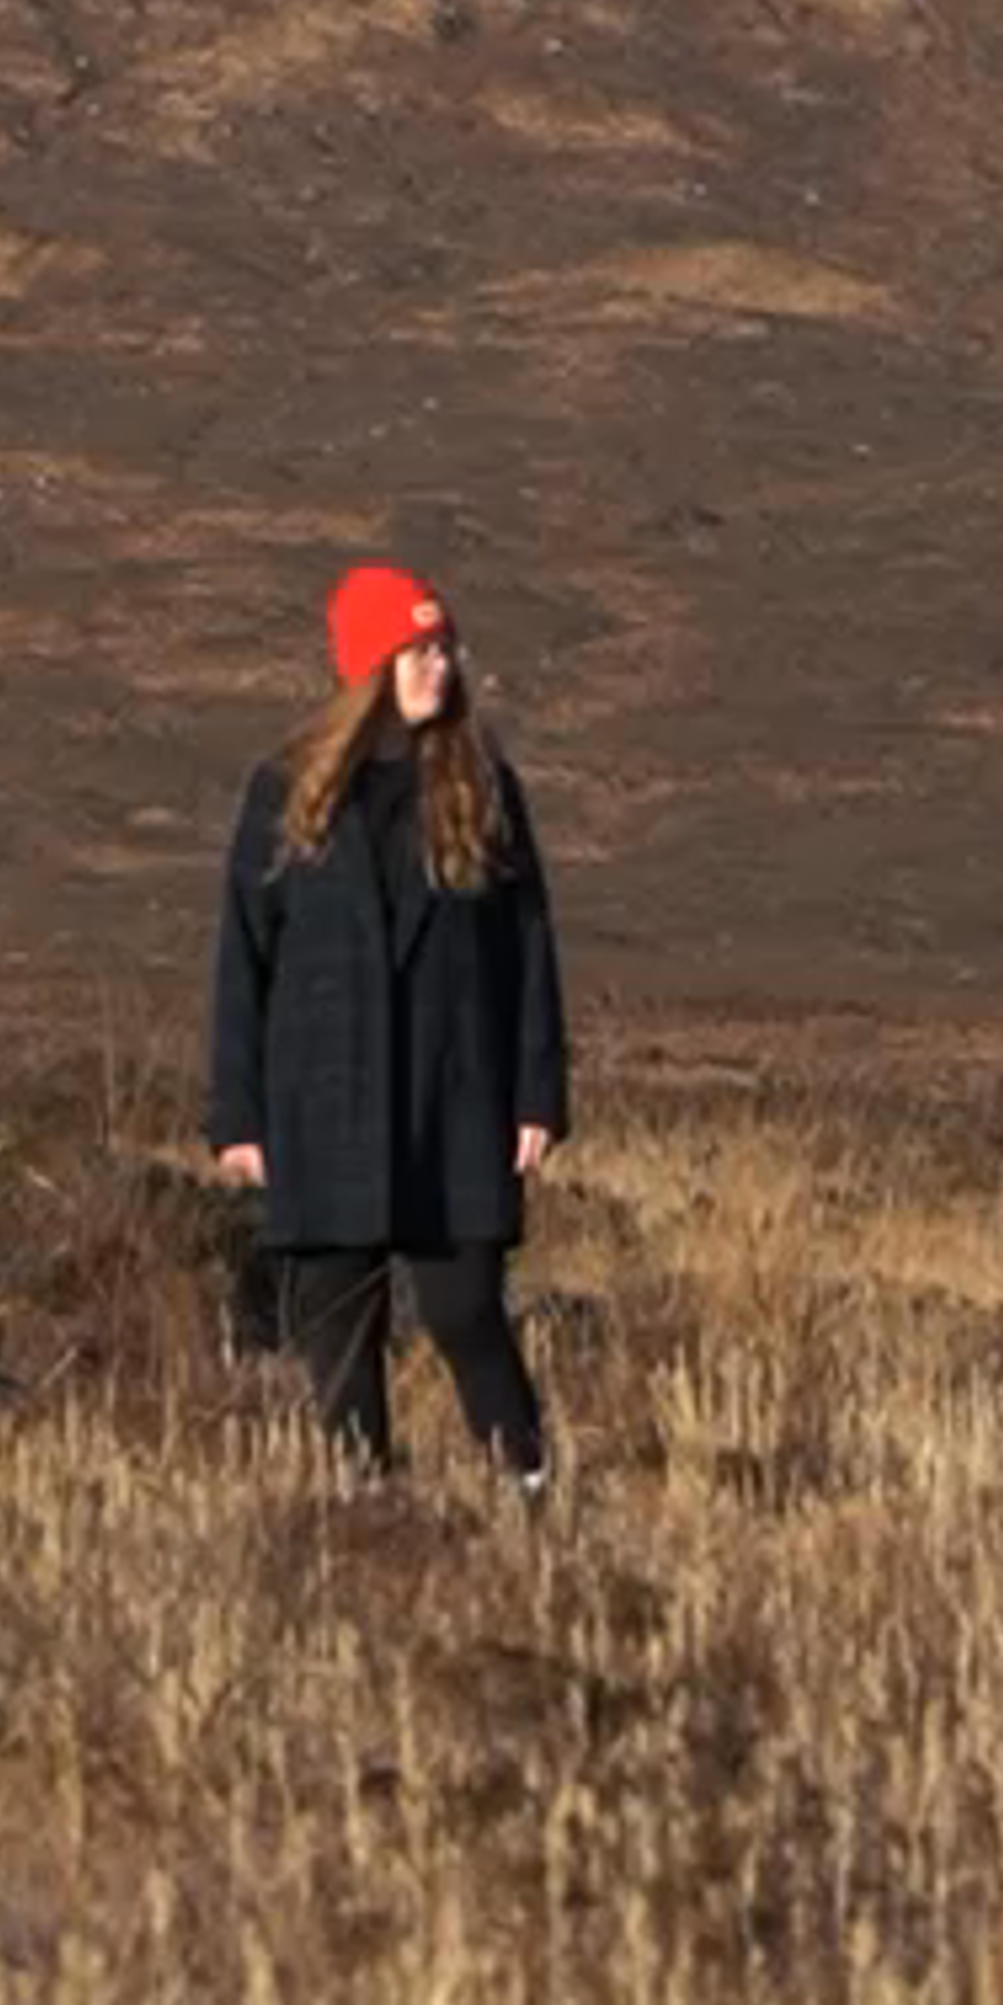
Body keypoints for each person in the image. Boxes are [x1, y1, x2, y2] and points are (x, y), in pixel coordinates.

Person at [205, 561, 571, 1489]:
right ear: (367, 663)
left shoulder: (484, 788)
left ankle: (528, 1492)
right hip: (322, 1100)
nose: (438, 665)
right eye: (416, 648)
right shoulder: (284, 792)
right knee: (336, 1323)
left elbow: (528, 954)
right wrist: (238, 1115)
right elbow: (242, 963)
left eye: (444, 645)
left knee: (466, 1312)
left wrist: (537, 1092)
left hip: (454, 1097)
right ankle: (362, 1509)